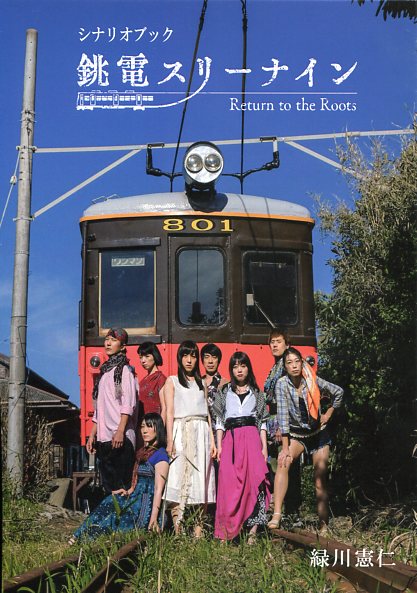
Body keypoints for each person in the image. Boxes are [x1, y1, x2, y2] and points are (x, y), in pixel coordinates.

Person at [268, 347, 343, 532]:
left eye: (297, 361)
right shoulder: (282, 384)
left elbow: (338, 392)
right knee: (283, 462)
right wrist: (285, 448)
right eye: (289, 363)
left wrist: (328, 413)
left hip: (318, 433)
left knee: (319, 477)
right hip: (297, 434)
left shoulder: (312, 380)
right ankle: (277, 515)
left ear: (302, 363)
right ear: (285, 367)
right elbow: (283, 417)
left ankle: (323, 525)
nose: (294, 366)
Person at [70, 413, 169, 542]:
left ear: (158, 428)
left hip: (146, 504)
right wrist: (127, 491)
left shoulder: (161, 455)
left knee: (115, 517)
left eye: (149, 426)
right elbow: (136, 482)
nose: (144, 430)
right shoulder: (142, 453)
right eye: (142, 426)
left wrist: (154, 519)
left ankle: (88, 540)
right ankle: (78, 536)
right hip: (134, 496)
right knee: (109, 501)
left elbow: (158, 489)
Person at [213, 352, 271, 542]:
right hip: (230, 439)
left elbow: (262, 422)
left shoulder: (257, 392)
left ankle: (252, 532)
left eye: (243, 366)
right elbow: (219, 421)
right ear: (231, 369)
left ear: (248, 368)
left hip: (252, 438)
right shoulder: (224, 391)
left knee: (255, 481)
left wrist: (264, 447)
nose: (239, 370)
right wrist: (219, 446)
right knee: (228, 485)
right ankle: (226, 532)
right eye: (236, 366)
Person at [163, 341, 216, 536]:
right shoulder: (172, 381)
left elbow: (207, 413)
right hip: (181, 430)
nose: (189, 360)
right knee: (178, 477)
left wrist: (212, 441)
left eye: (193, 356)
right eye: (185, 355)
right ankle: (178, 529)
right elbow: (169, 412)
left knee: (201, 479)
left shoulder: (202, 383)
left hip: (201, 433)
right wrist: (169, 440)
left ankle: (198, 531)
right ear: (179, 358)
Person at [86, 328, 137, 493]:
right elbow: (100, 410)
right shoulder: (104, 373)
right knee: (110, 489)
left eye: (113, 340)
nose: (108, 343)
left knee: (123, 487)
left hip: (120, 438)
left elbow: (128, 404)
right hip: (105, 439)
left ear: (122, 346)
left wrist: (120, 431)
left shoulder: (125, 371)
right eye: (107, 339)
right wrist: (92, 435)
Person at [264, 329, 302, 517]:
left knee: (285, 463)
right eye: (272, 342)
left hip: (282, 421)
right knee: (275, 464)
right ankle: (281, 508)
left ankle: (292, 510)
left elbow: (287, 398)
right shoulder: (275, 367)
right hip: (273, 421)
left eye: (278, 341)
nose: (274, 345)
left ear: (287, 344)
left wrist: (281, 425)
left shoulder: (286, 367)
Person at [137, 342, 167, 424]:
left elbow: (164, 408)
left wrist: (161, 428)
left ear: (155, 356)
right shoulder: (143, 380)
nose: (143, 361)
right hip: (141, 424)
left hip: (154, 425)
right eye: (141, 357)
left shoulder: (160, 379)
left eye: (147, 356)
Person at [200, 343, 228, 425]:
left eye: (214, 357)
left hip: (220, 426)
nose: (210, 361)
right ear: (202, 360)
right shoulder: (197, 383)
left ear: (219, 360)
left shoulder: (226, 383)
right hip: (201, 426)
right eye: (207, 357)